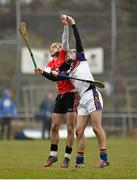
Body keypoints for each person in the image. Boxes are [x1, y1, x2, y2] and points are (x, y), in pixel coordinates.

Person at [56, 16, 109, 168]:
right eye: (69, 53)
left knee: (96, 128)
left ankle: (104, 158)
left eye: (73, 52)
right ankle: (80, 162)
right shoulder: (67, 70)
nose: (71, 52)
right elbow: (56, 75)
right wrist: (49, 73)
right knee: (79, 131)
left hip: (92, 94)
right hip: (81, 100)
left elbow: (78, 41)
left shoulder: (82, 61)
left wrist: (73, 24)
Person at [34, 15, 79, 168]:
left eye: (58, 46)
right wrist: (41, 71)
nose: (57, 47)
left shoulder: (64, 54)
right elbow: (48, 74)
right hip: (60, 96)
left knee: (70, 127)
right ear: (51, 51)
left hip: (72, 94)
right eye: (54, 47)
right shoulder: (50, 63)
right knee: (54, 127)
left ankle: (66, 157)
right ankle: (53, 155)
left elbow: (65, 39)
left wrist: (65, 25)